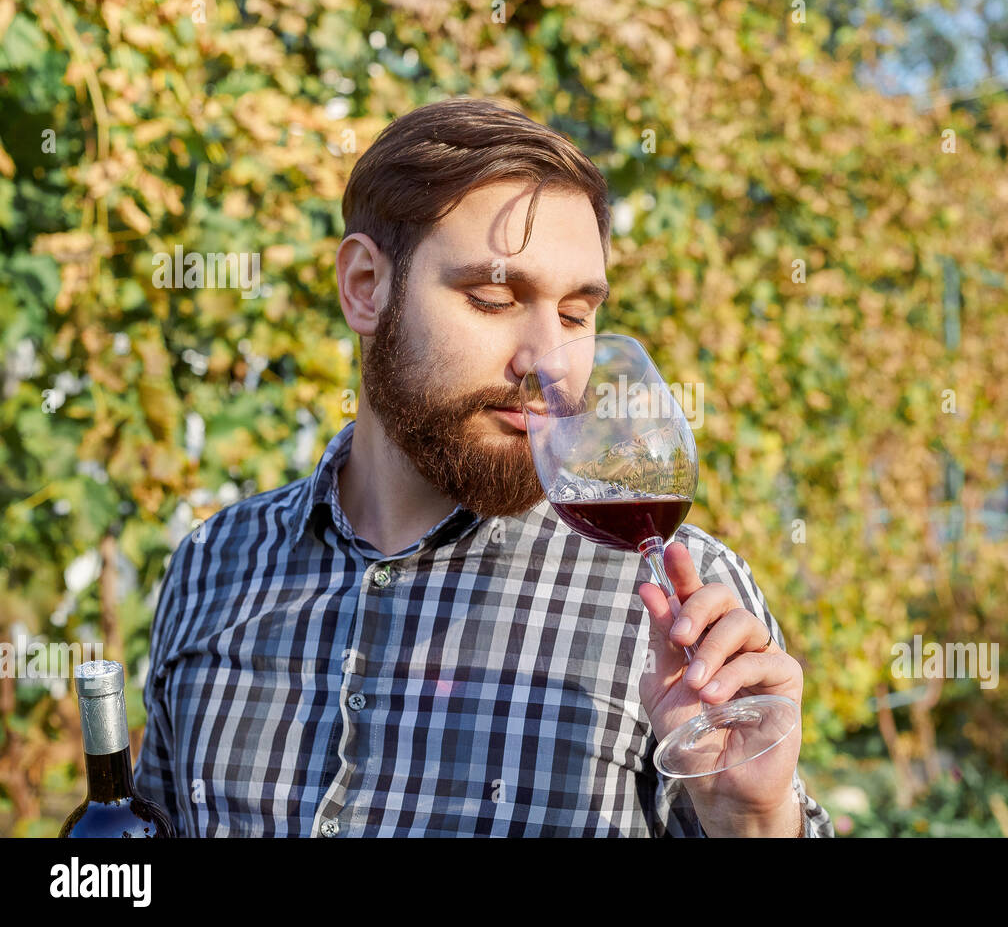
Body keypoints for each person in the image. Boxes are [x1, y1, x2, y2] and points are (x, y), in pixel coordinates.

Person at [134, 97, 833, 837]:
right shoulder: (215, 565)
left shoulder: (680, 607)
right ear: (365, 287)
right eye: (495, 298)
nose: (544, 360)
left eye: (575, 315)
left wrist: (751, 819)